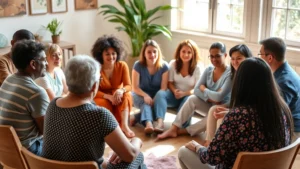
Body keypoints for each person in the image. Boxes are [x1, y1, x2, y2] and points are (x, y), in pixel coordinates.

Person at [178, 57, 293, 169]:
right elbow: (257, 119)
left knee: (184, 151)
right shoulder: (282, 110)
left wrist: (197, 147)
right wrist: (231, 114)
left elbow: (212, 157)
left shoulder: (237, 117)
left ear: (241, 82)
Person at [41, 55, 145, 169]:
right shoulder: (100, 115)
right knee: (138, 155)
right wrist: (136, 141)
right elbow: (130, 155)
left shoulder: (52, 105)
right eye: (99, 80)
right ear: (94, 86)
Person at [158, 42, 231, 139]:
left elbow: (219, 97)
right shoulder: (209, 69)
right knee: (192, 99)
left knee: (212, 115)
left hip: (222, 108)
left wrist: (204, 89)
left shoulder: (230, 73)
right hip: (209, 103)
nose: (214, 59)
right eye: (211, 56)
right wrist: (211, 98)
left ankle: (183, 131)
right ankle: (173, 128)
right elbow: (196, 90)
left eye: (217, 56)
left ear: (225, 55)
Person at [0, 40, 49, 156]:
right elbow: (46, 132)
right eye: (44, 60)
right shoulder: (36, 92)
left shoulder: (8, 80)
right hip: (27, 152)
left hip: (6, 150)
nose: (47, 63)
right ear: (33, 64)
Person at [204, 44, 253, 146]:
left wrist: (230, 111)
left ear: (248, 59)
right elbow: (236, 100)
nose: (235, 62)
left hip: (246, 114)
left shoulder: (250, 77)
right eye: (233, 59)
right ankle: (209, 143)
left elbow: (249, 105)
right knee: (214, 109)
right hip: (237, 109)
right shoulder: (235, 75)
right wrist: (225, 106)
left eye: (239, 58)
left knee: (222, 118)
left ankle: (218, 147)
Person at [154, 39, 204, 130]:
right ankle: (160, 123)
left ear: (193, 54)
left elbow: (197, 89)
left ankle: (176, 127)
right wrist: (174, 91)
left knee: (188, 100)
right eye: (183, 51)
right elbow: (170, 83)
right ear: (179, 52)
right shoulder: (173, 63)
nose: (186, 55)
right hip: (174, 95)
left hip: (188, 95)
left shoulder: (198, 67)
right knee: (160, 93)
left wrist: (184, 93)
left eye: (189, 52)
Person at [92, 35, 134, 138]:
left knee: (127, 95)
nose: (111, 57)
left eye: (113, 53)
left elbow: (129, 85)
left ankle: (124, 125)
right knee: (102, 102)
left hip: (117, 94)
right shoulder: (96, 68)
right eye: (107, 54)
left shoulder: (122, 65)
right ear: (100, 55)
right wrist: (109, 97)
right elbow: (93, 90)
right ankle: (108, 128)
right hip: (102, 96)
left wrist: (121, 90)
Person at [259, 37, 300, 142]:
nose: (258, 58)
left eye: (260, 55)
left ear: (270, 58)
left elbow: (276, 113)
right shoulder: (283, 72)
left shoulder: (284, 82)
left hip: (292, 129)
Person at [131, 39, 169, 134]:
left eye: (154, 52)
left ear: (158, 52)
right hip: (139, 94)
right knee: (145, 102)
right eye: (149, 52)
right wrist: (145, 96)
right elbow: (134, 87)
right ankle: (149, 124)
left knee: (157, 99)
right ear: (144, 53)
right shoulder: (138, 65)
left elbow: (163, 88)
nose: (152, 55)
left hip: (155, 95)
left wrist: (154, 99)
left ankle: (138, 117)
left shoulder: (164, 66)